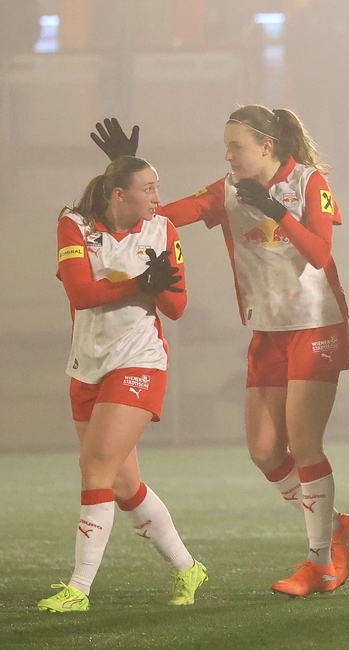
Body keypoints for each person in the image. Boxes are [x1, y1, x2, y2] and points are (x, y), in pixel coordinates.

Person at [91, 108, 349, 597]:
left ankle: (320, 562)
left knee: (303, 444)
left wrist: (276, 209)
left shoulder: (307, 181)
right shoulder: (227, 190)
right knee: (263, 450)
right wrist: (126, 176)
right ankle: (334, 525)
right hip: (267, 332)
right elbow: (163, 217)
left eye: (235, 146)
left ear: (266, 146)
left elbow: (321, 252)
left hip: (316, 324)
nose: (228, 154)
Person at [40, 156, 207, 612]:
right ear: (119, 195)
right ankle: (188, 568)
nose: (158, 197)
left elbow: (176, 308)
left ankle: (78, 588)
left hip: (140, 363)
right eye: (149, 189)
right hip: (86, 366)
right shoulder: (74, 225)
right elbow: (80, 294)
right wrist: (140, 284)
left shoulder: (163, 230)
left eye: (158, 188)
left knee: (95, 465)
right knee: (123, 485)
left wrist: (158, 286)